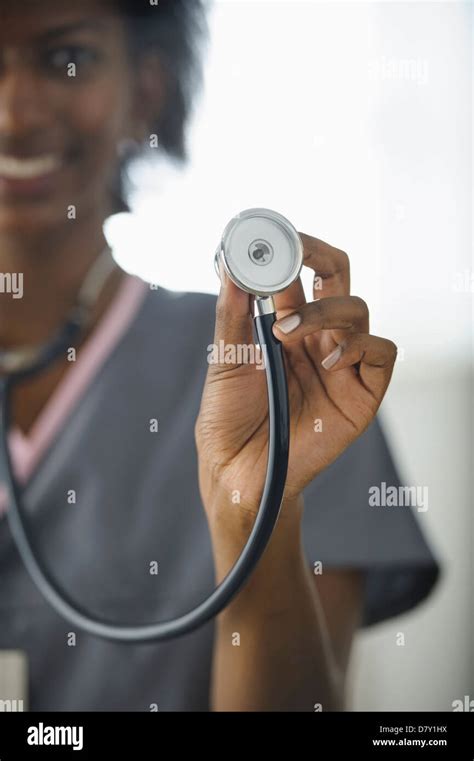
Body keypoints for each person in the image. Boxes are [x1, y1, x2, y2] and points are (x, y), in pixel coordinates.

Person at [0, 0, 438, 712]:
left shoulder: (291, 381)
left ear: (146, 92)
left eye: (65, 58)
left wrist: (254, 519)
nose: (13, 115)